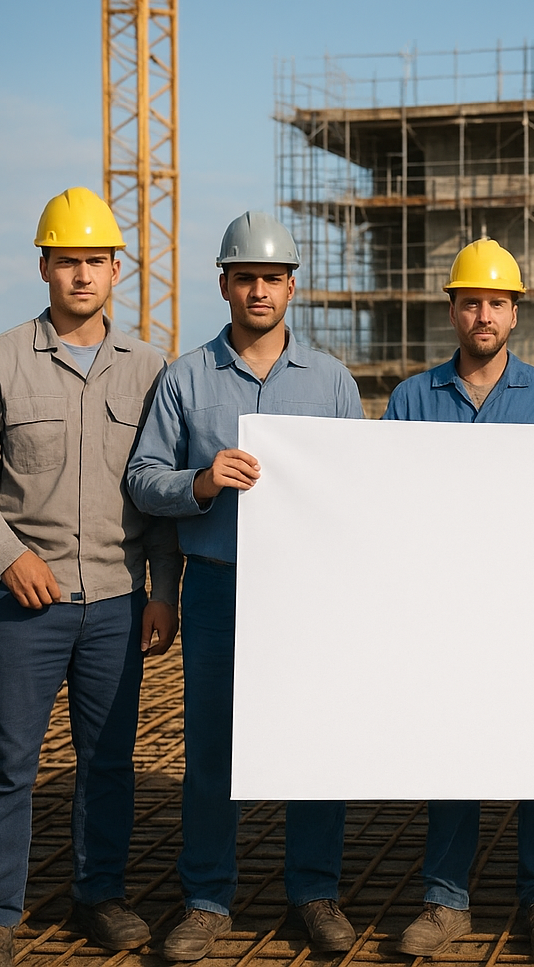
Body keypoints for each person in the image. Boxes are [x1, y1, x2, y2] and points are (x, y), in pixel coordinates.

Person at [126, 212, 364, 961]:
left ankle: (315, 891)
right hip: (219, 587)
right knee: (211, 749)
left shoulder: (331, 381)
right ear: (224, 283)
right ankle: (205, 898)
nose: (258, 290)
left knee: (313, 740)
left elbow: (360, 489)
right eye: (245, 277)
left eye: (271, 278)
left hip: (308, 594)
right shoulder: (184, 378)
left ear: (292, 286)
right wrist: (200, 481)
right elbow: (142, 479)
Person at [381, 239, 534, 959]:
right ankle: (445, 901)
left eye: (497, 301)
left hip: (530, 611)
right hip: (445, 613)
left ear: (516, 312)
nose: (483, 313)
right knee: (452, 750)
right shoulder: (411, 398)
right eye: (471, 301)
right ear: (452, 310)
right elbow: (387, 504)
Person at [0, 189, 181, 965]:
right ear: (44, 266)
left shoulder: (149, 369)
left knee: (108, 763)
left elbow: (162, 491)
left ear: (117, 269)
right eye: (67, 261)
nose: (81, 275)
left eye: (95, 262)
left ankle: (99, 895)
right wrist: (7, 555)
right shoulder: (4, 359)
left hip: (116, 599)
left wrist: (164, 593)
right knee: (9, 764)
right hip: (22, 602)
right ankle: (3, 910)